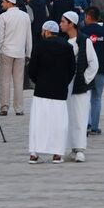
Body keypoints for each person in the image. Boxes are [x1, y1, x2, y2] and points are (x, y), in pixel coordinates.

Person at [27, 19, 75, 164]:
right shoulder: (67, 46)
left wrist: (39, 81)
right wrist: (63, 82)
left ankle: (34, 153)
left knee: (38, 122)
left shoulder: (39, 46)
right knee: (59, 122)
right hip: (59, 90)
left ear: (46, 31)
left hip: (41, 90)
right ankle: (57, 153)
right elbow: (71, 69)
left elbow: (32, 69)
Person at [60, 10, 99, 162]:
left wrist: (84, 79)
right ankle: (70, 147)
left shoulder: (84, 41)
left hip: (80, 85)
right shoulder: (63, 41)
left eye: (63, 21)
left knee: (80, 116)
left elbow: (93, 64)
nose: (61, 24)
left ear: (71, 24)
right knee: (66, 116)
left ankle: (80, 148)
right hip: (65, 84)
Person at [80, 7, 104, 135]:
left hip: (85, 70)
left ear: (89, 17)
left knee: (84, 97)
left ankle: (86, 125)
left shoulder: (82, 31)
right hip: (101, 69)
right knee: (97, 98)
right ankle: (95, 127)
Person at [0, 0, 31, 116]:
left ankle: (4, 107)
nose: (2, 4)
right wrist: (29, 52)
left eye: (4, 2)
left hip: (6, 52)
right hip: (20, 52)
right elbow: (28, 36)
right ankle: (19, 108)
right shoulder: (25, 16)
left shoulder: (3, 17)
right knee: (18, 81)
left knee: (4, 81)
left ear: (10, 3)